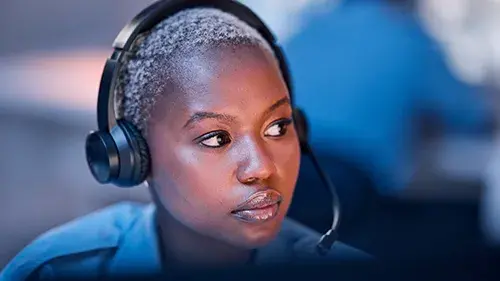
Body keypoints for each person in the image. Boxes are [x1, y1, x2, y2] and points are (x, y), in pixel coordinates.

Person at [0, 4, 371, 281]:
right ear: (133, 155)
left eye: (277, 128)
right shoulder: (54, 271)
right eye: (216, 138)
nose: (261, 167)